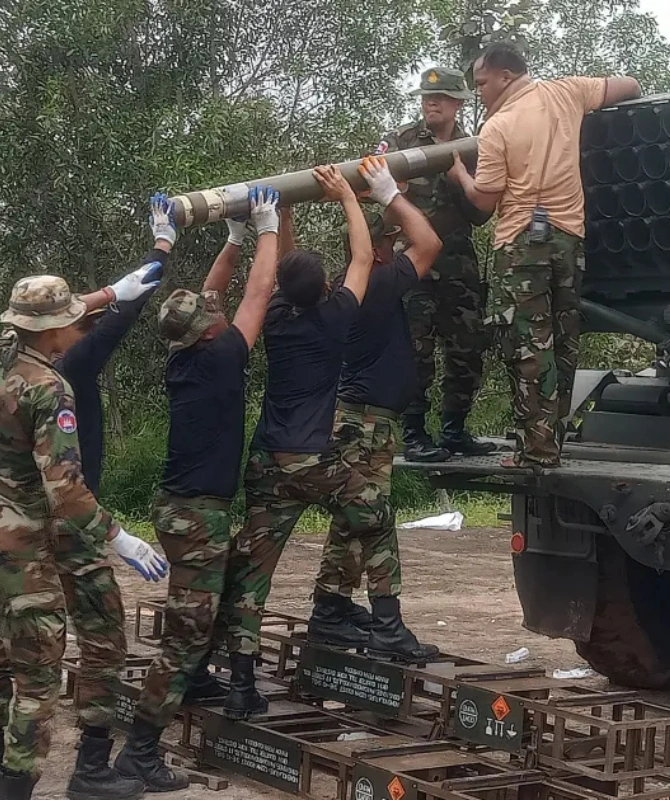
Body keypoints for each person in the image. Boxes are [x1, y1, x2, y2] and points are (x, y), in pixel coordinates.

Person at [0, 199, 174, 800]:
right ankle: (89, 769)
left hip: (11, 531)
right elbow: (107, 322)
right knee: (104, 639)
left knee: (11, 644)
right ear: (60, 333)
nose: (79, 326)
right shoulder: (66, 369)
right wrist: (156, 254)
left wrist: (122, 282)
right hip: (71, 522)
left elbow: (72, 310)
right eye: (71, 321)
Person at [114, 185, 281, 792]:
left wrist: (233, 238)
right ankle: (140, 751)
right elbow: (258, 294)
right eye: (212, 315)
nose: (217, 310)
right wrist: (266, 227)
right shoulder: (222, 356)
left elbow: (216, 294)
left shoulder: (187, 355)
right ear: (209, 332)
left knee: (201, 615)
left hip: (180, 510)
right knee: (184, 641)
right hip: (198, 518)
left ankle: (198, 679)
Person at [214, 165, 376, 720]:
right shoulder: (335, 319)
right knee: (372, 508)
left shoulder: (277, 315)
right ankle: (359, 608)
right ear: (326, 289)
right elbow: (362, 257)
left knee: (255, 572)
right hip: (314, 461)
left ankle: (240, 684)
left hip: (267, 461)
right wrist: (349, 197)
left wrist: (283, 211)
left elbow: (288, 273)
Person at [448, 43, 641, 469]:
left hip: (520, 244)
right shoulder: (568, 92)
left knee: (527, 346)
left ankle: (536, 452)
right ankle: (551, 441)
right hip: (569, 238)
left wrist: (459, 173)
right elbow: (629, 84)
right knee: (563, 339)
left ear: (504, 76)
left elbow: (484, 201)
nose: (479, 91)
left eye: (481, 83)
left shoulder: (498, 127)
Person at [306, 156, 443, 664]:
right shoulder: (379, 286)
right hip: (363, 423)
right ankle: (387, 625)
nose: (397, 247)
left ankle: (330, 609)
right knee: (374, 519)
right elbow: (429, 243)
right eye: (388, 242)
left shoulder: (350, 289)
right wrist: (387, 194)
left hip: (361, 420)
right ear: (377, 251)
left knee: (352, 520)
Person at [379, 67, 496, 463]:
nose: (431, 102)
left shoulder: (474, 147)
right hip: (414, 263)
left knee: (468, 347)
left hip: (458, 262)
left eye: (441, 97)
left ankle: (455, 430)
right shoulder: (401, 142)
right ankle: (414, 435)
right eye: (427, 97)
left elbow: (481, 214)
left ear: (458, 103)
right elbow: (374, 194)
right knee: (416, 350)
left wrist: (456, 177)